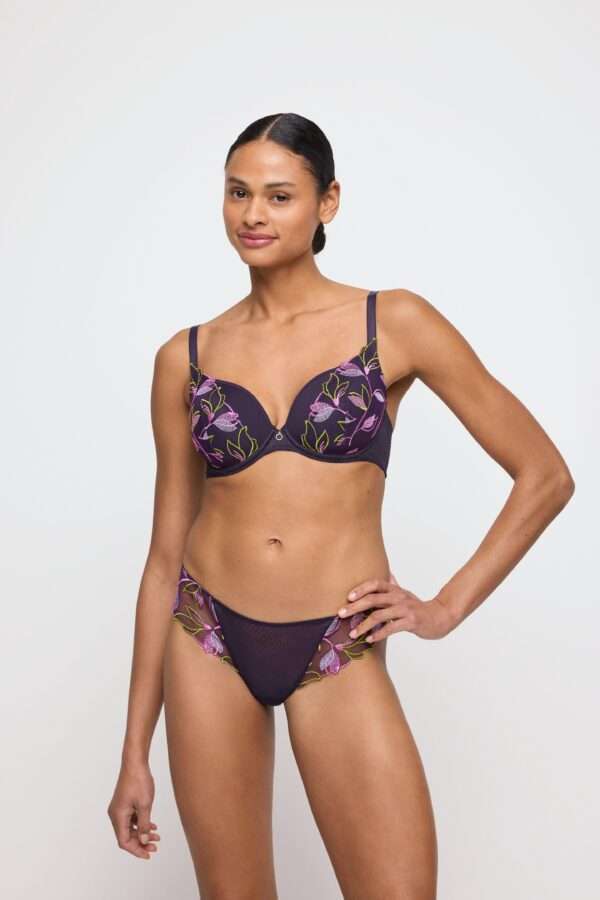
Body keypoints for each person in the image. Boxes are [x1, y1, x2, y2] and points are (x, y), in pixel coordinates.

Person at [107, 112, 575, 899]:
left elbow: (545, 475)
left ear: (327, 201)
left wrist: (444, 608)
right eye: (237, 193)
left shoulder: (393, 322)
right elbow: (162, 560)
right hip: (206, 634)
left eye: (279, 195)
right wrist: (132, 755)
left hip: (338, 639)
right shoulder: (184, 358)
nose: (253, 215)